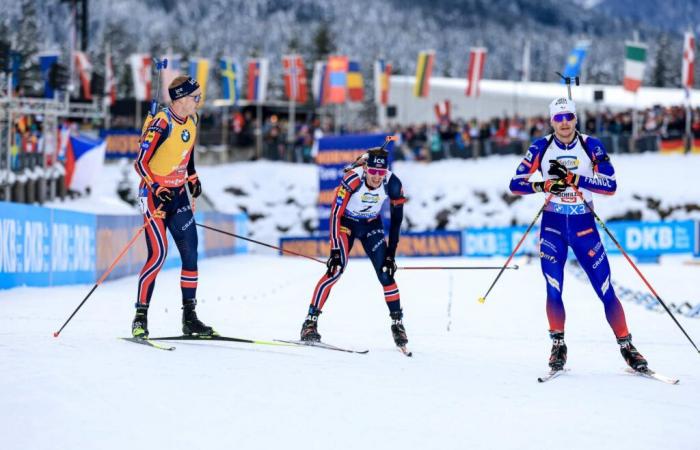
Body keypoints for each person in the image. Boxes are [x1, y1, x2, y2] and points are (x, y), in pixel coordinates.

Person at [509, 97, 648, 372]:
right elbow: (515, 183)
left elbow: (610, 185)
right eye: (558, 118)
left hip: (584, 226)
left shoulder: (591, 145)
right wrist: (545, 185)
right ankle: (558, 346)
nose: (563, 123)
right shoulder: (540, 147)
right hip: (553, 226)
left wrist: (576, 180)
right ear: (551, 121)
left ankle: (627, 346)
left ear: (575, 118)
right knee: (553, 287)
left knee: (605, 288)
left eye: (568, 117)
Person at [300, 146, 409, 348]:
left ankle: (397, 324)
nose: (377, 178)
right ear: (366, 168)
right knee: (335, 271)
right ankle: (310, 322)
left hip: (371, 225)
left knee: (386, 274)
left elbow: (396, 221)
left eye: (381, 173)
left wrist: (391, 255)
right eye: (373, 172)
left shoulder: (393, 184)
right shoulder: (353, 179)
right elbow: (335, 214)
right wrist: (334, 249)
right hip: (346, 224)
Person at [131, 76, 214, 338]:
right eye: (194, 97)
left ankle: (189, 317)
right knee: (158, 256)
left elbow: (186, 151)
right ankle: (140, 317)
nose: (198, 101)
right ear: (179, 100)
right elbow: (140, 164)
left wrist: (192, 177)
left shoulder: (192, 120)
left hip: (178, 196)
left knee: (191, 254)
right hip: (155, 197)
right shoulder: (162, 123)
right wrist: (158, 189)